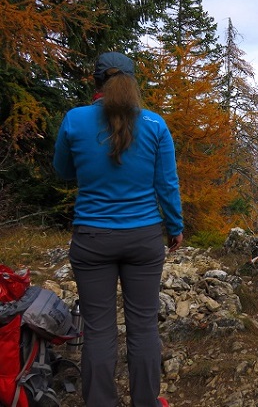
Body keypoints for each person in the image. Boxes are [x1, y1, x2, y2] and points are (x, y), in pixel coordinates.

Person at [53, 52, 183, 407]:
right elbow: (166, 184)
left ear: (96, 82)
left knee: (98, 329)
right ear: (132, 83)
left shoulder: (75, 120)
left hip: (92, 239)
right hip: (143, 238)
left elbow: (63, 170)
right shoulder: (154, 124)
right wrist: (175, 226)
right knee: (143, 326)